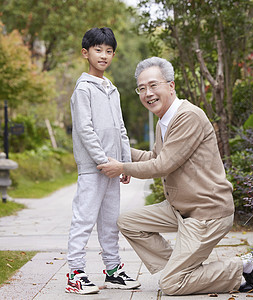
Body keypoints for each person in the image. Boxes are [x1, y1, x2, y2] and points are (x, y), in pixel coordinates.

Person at [97, 57, 253, 295]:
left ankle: (244, 266)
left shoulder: (188, 117)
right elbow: (153, 158)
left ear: (171, 85)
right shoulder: (163, 122)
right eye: (142, 88)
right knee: (128, 222)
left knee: (170, 285)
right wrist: (120, 151)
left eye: (153, 85)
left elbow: (163, 165)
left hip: (206, 213)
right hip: (179, 209)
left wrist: (122, 168)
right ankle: (184, 272)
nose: (148, 93)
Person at [66, 27, 140, 295]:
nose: (104, 55)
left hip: (113, 168)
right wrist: (103, 161)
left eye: (109, 51)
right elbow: (85, 129)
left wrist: (125, 162)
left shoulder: (112, 89)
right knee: (83, 219)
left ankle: (112, 271)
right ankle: (75, 272)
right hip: (93, 168)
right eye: (98, 50)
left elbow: (120, 128)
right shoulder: (83, 89)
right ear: (86, 53)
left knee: (110, 222)